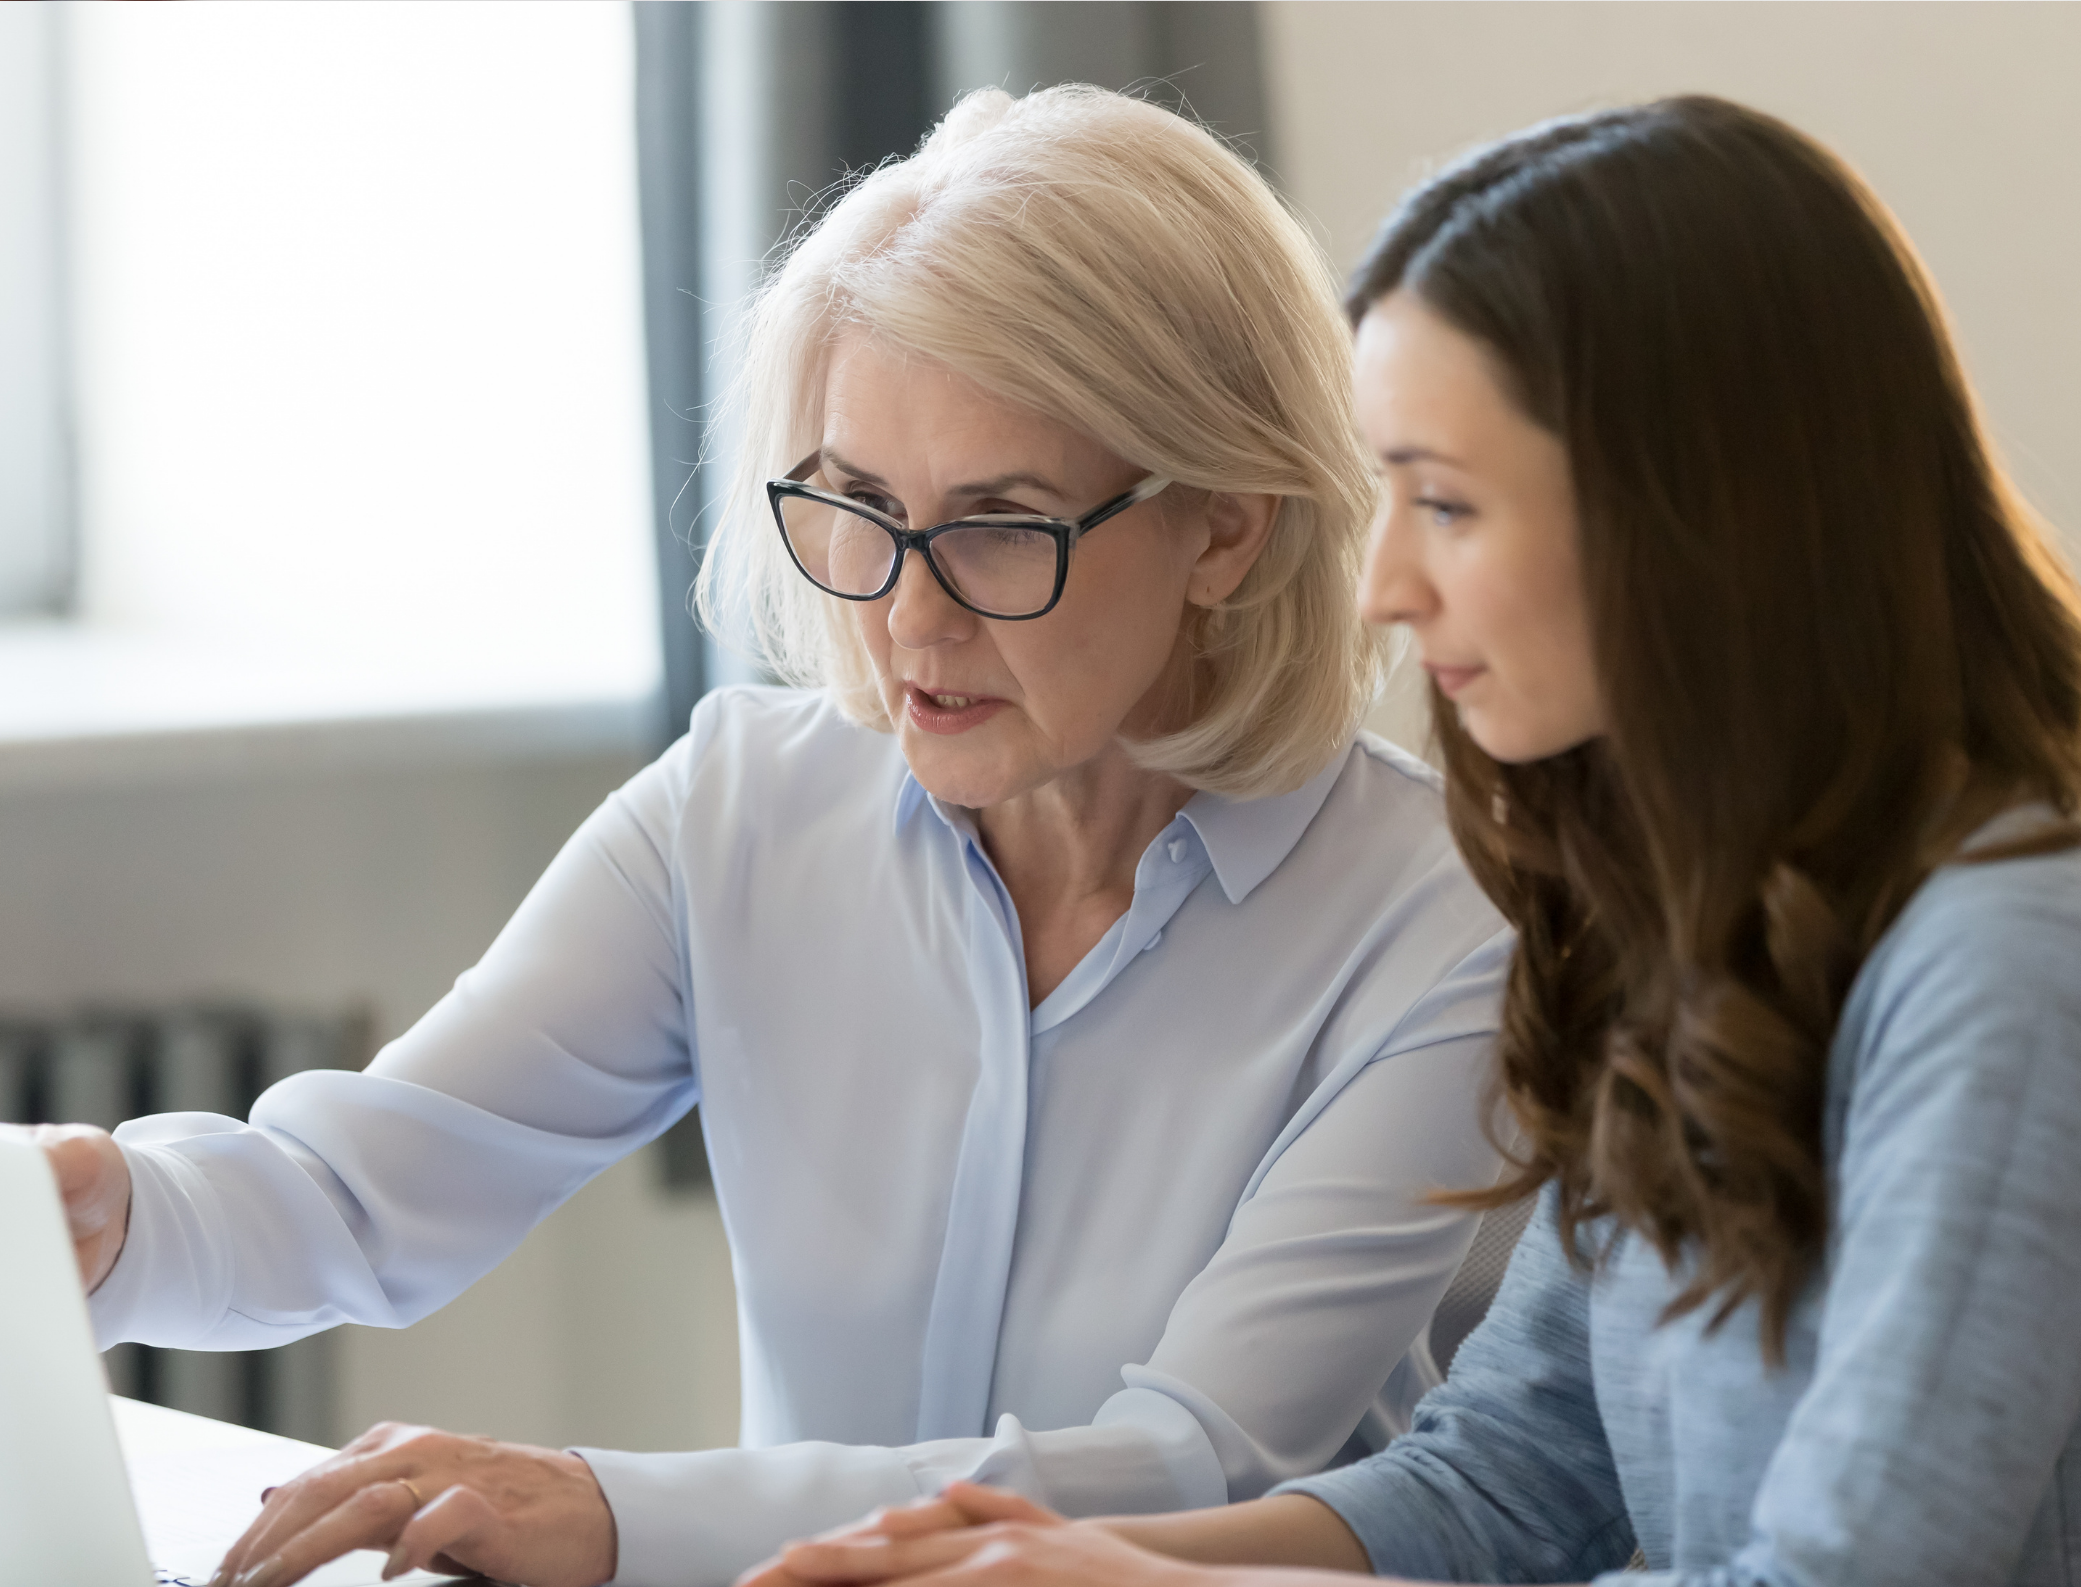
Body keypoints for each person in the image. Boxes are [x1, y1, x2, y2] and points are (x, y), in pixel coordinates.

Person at [37, 85, 1513, 1587]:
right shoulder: (743, 807)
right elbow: (362, 1186)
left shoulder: (1444, 928)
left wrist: (610, 1511)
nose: (905, 616)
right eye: (859, 505)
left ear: (1226, 525)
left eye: (999, 522)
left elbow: (1193, 1460)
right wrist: (114, 1212)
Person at [750, 95, 2081, 1587]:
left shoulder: (2008, 955)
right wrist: (1053, 1554)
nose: (1383, 582)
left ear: (1698, 519)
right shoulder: (1695, 919)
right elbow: (1503, 1483)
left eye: (1445, 504)